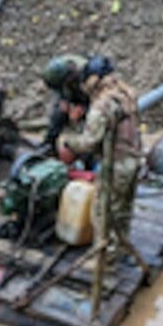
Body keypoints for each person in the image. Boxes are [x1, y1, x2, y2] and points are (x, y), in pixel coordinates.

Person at [56, 55, 141, 259]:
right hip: (135, 160)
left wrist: (68, 141)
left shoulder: (101, 106)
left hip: (116, 165)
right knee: (122, 211)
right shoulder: (124, 95)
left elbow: (90, 142)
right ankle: (120, 249)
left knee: (101, 213)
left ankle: (105, 259)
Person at [40, 54, 89, 154]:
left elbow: (98, 102)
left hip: (90, 98)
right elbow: (61, 94)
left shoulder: (86, 77)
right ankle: (49, 143)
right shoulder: (59, 72)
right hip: (70, 85)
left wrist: (83, 110)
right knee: (59, 111)